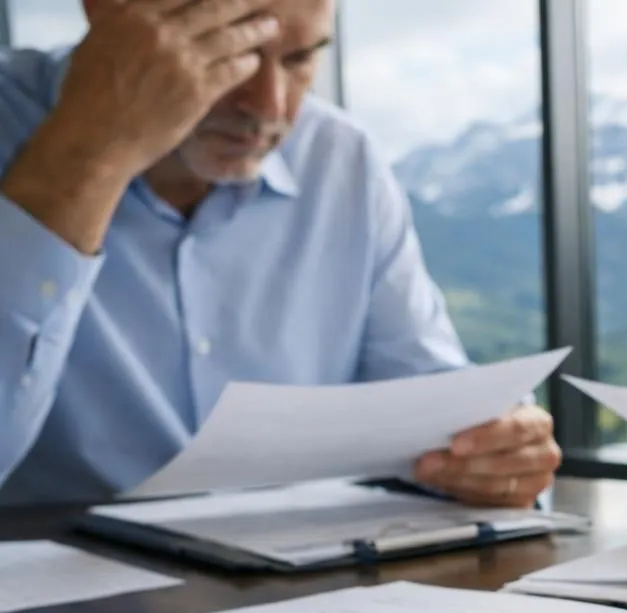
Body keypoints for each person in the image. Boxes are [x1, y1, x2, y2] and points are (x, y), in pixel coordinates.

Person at [0, 0, 560, 507]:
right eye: (232, 54)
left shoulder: (342, 160)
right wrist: (92, 150)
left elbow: (432, 411)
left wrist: (494, 456)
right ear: (109, 13)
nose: (268, 106)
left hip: (307, 588)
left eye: (299, 60)